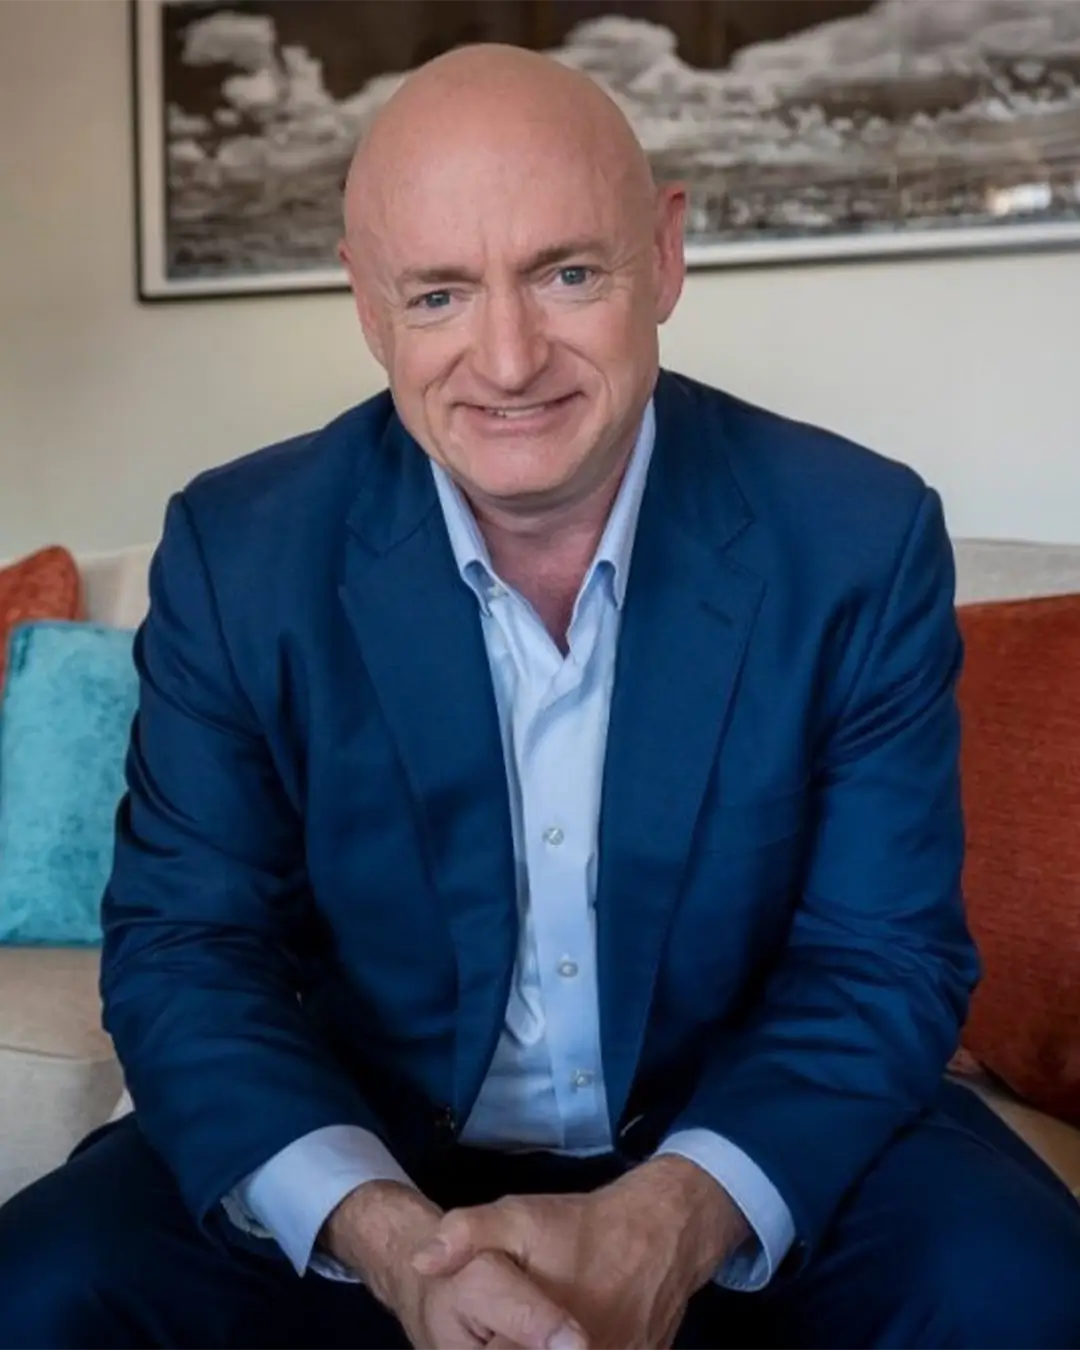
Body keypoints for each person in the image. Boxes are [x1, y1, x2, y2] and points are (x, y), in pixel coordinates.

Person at [1, 42, 1078, 1350]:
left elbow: (883, 957)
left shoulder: (855, 536)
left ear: (666, 253)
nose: (508, 360)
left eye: (568, 272)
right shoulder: (244, 552)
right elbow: (187, 949)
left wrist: (665, 1223)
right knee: (40, 1289)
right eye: (441, 292)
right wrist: (392, 1243)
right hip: (373, 1145)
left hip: (737, 1133)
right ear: (367, 305)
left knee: (1026, 1284)